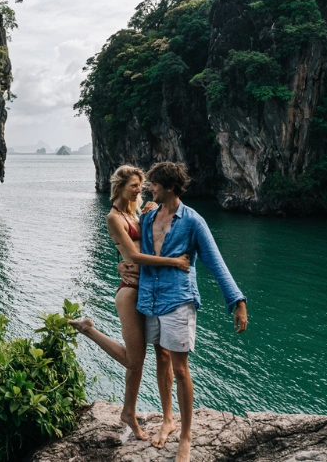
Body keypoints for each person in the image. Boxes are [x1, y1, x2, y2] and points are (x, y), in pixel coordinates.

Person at [125, 161, 248, 462]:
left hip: (178, 300)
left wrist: (238, 302)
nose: (147, 188)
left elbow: (216, 263)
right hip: (150, 300)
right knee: (161, 359)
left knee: (180, 369)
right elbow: (133, 248)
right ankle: (168, 419)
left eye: (153, 183)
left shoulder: (193, 221)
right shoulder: (149, 215)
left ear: (168, 187)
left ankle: (186, 436)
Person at [69, 165, 190, 441]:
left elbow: (137, 247)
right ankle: (88, 329)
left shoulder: (134, 212)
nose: (140, 189)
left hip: (147, 289)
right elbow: (133, 256)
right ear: (121, 185)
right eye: (135, 185)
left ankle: (130, 412)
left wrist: (148, 212)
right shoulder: (114, 217)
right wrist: (174, 262)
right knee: (134, 361)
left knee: (150, 358)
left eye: (142, 184)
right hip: (130, 292)